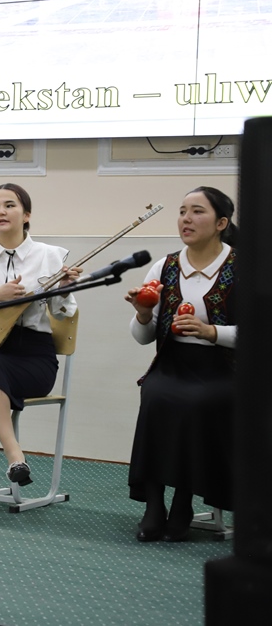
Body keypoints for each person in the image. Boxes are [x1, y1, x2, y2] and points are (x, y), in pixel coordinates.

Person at [0, 183, 80, 515]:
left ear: (27, 215)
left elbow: (64, 313)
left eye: (9, 205)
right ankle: (14, 457)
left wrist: (64, 290)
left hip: (34, 359)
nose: (1, 211)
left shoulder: (50, 256)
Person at [125, 187, 237, 542]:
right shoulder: (164, 266)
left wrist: (211, 332)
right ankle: (153, 505)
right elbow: (142, 337)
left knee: (197, 402)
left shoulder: (244, 267)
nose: (186, 219)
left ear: (221, 223)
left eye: (197, 212)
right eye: (182, 211)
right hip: (171, 364)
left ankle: (183, 502)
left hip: (225, 368)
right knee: (154, 395)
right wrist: (144, 314)